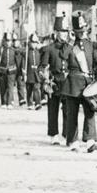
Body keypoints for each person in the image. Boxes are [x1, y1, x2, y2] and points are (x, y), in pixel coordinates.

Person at [60, 12, 97, 152]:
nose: (82, 33)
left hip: (88, 83)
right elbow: (62, 56)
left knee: (90, 112)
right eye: (79, 31)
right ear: (74, 32)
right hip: (72, 83)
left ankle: (90, 141)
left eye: (83, 30)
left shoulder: (91, 45)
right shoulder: (70, 45)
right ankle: (73, 141)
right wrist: (70, 42)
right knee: (72, 114)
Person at [39, 15, 70, 144]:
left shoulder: (70, 48)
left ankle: (66, 133)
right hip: (54, 82)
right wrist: (46, 79)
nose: (63, 34)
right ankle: (53, 134)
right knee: (53, 110)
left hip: (67, 82)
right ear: (56, 33)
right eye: (61, 32)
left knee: (68, 110)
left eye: (65, 32)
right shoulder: (49, 48)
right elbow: (42, 67)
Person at [0, 33, 18, 109]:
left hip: (11, 72)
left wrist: (17, 72)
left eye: (9, 41)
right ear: (4, 41)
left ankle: (9, 102)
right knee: (3, 87)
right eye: (7, 41)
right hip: (2, 71)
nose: (8, 42)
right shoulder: (0, 50)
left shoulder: (14, 50)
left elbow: (17, 62)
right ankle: (4, 102)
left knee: (10, 87)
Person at [23, 34, 43, 110]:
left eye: (35, 43)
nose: (34, 44)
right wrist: (24, 73)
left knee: (36, 88)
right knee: (29, 89)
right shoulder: (27, 52)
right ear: (30, 43)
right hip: (29, 73)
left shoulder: (38, 52)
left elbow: (40, 62)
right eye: (32, 42)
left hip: (36, 73)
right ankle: (30, 103)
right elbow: (24, 63)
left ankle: (38, 103)